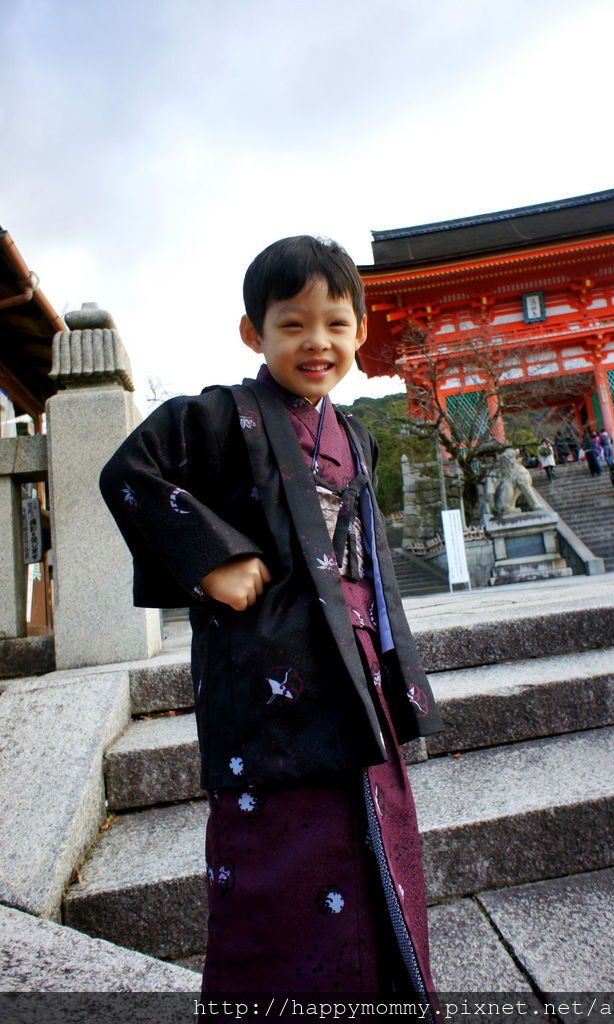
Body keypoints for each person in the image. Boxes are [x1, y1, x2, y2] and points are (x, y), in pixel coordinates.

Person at [99, 236, 443, 1004]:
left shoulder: (356, 436)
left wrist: (398, 670)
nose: (315, 342)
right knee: (279, 853)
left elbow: (375, 569)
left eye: (335, 323)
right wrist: (209, 558)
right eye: (291, 324)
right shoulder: (221, 416)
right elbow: (128, 471)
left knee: (371, 835)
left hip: (355, 671)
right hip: (267, 678)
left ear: (360, 330)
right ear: (253, 333)